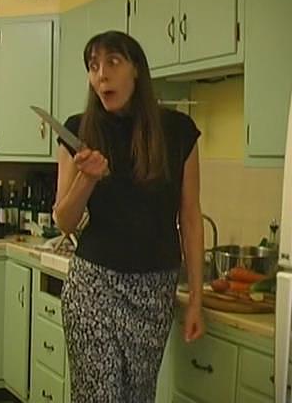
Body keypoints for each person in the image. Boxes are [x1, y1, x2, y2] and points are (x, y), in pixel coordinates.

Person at [54, 30, 205, 403]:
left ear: (136, 69)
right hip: (94, 287)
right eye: (93, 66)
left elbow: (190, 218)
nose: (101, 74)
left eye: (113, 62)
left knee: (138, 396)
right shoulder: (77, 130)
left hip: (155, 291)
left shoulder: (178, 131)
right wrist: (87, 179)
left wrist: (196, 300)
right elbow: (64, 221)